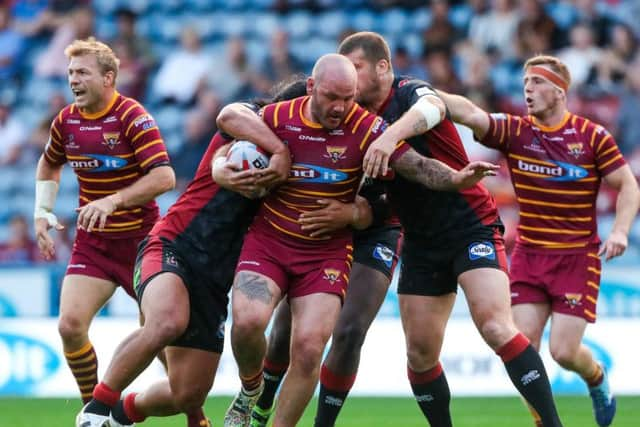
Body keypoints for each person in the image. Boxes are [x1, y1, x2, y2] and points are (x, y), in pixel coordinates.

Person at [218, 53, 499, 427]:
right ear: (313, 87)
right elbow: (228, 120)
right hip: (271, 241)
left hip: (327, 252)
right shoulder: (280, 116)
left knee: (310, 347)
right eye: (332, 97)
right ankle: (251, 389)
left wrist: (455, 178)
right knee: (249, 323)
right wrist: (241, 164)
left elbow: (414, 165)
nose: (340, 108)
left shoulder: (366, 127)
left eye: (348, 98)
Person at [347, 32, 564, 427]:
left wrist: (390, 135)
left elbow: (433, 107)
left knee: (496, 326)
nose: (350, 78)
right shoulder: (354, 119)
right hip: (419, 241)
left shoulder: (411, 92)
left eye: (356, 68)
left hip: (470, 226)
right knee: (420, 355)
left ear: (382, 67)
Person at [74, 79, 300, 427]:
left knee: (187, 394)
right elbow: (229, 114)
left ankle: (121, 416)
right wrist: (276, 150)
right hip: (173, 245)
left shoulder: (303, 171)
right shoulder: (252, 126)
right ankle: (95, 409)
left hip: (215, 283)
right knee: (167, 321)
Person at [438, 54, 640, 427]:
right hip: (530, 255)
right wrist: (424, 93)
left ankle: (595, 376)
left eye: (537, 83)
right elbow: (471, 113)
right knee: (521, 347)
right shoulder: (517, 131)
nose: (527, 90)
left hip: (577, 258)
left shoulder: (592, 137)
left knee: (563, 352)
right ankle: (544, 422)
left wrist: (620, 230)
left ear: (559, 92)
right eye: (525, 83)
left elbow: (627, 184)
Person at [33, 36, 175, 409]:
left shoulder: (133, 116)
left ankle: (195, 413)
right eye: (70, 73)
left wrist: (114, 200)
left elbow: (164, 177)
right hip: (93, 245)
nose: (73, 80)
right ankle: (93, 412)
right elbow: (49, 162)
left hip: (141, 244)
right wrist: (43, 212)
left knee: (160, 341)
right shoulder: (66, 121)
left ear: (108, 77)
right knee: (69, 326)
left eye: (82, 72)